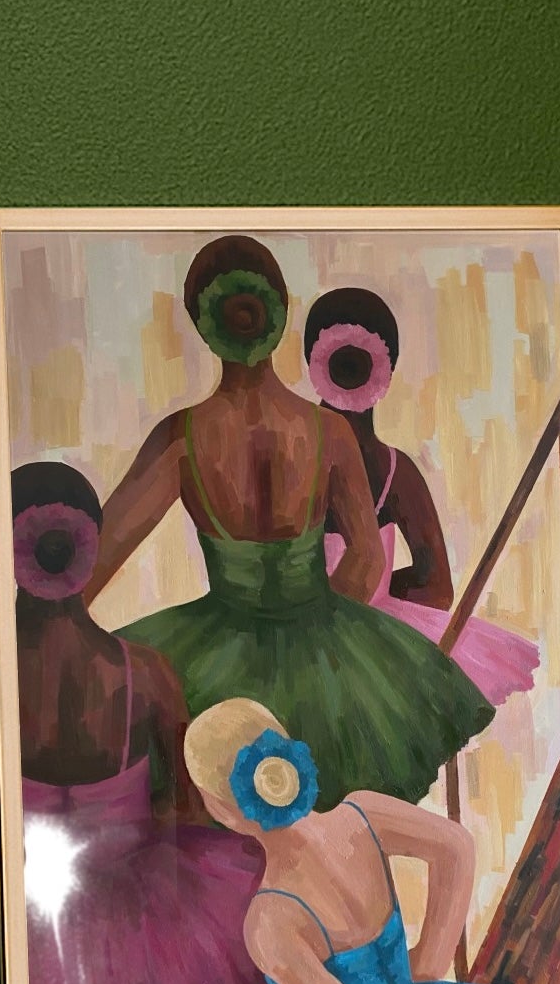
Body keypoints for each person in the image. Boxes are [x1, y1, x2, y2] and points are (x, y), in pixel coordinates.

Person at [85, 235, 494, 808]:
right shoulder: (328, 432)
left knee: (225, 810)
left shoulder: (181, 438)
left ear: (204, 327)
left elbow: (87, 567)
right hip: (324, 643)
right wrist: (319, 638)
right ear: (280, 316)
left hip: (216, 651)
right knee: (326, 819)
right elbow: (366, 560)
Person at [11, 462, 277, 984]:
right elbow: (187, 806)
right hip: (139, 902)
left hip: (27, 904)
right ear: (91, 549)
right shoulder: (147, 673)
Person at [170, 697, 560, 984]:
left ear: (222, 810)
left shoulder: (270, 919)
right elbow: (456, 846)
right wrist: (429, 962)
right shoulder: (363, 815)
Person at [307, 286, 539, 705]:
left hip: (355, 644)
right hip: (315, 640)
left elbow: (438, 587)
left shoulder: (395, 473)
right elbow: (436, 586)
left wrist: (373, 594)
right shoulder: (305, 461)